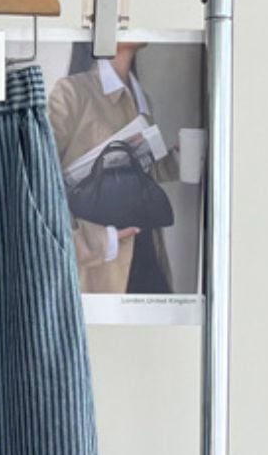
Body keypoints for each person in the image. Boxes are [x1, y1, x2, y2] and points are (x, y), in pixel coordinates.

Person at [47, 40, 179, 295]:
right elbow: (37, 185)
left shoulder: (142, 98)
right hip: (101, 270)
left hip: (148, 253)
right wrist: (97, 241)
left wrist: (177, 160)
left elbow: (139, 176)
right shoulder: (72, 92)